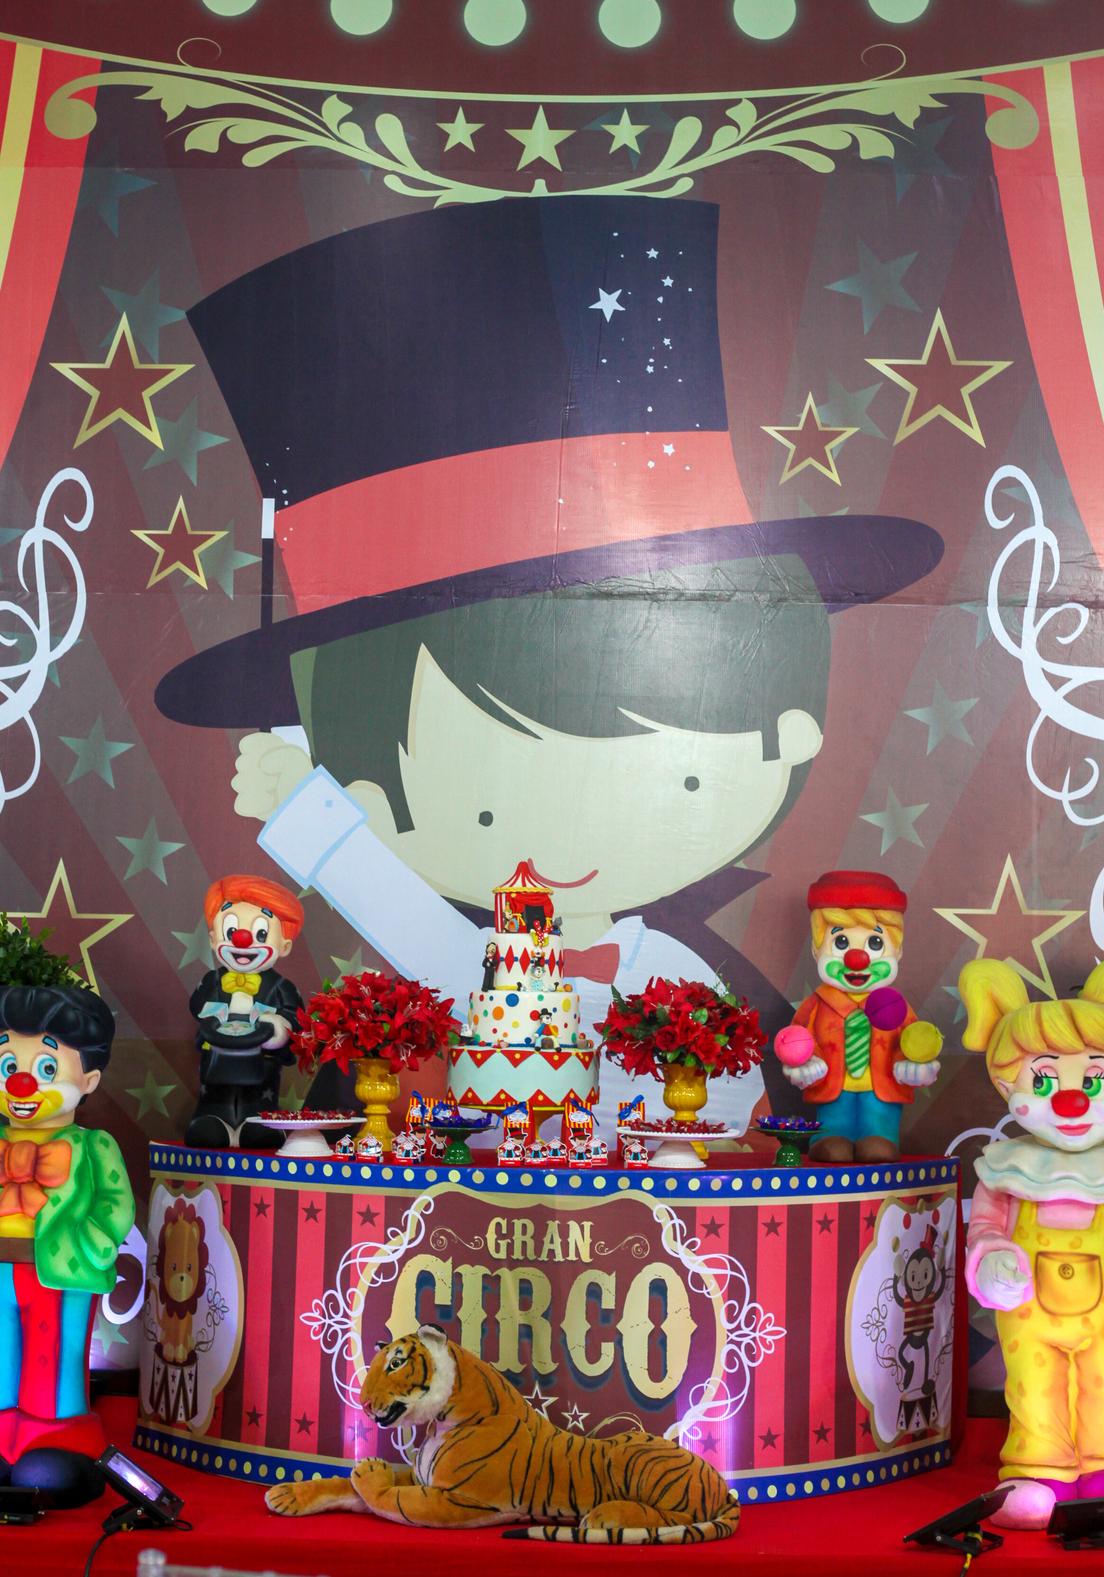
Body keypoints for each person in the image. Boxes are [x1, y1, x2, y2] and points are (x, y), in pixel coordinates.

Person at [155, 195, 943, 1133]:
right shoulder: (468, 966)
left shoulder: (672, 981)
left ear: (790, 733)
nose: (558, 856)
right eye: (482, 807)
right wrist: (302, 798)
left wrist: (308, 806)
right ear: (363, 782)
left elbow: (729, 1101)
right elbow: (401, 913)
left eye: (682, 777)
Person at [960, 954, 1104, 1529]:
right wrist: (992, 1259)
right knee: (1033, 1388)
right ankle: (1038, 1473)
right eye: (1044, 1080)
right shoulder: (1005, 1169)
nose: (1071, 1101)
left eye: (1094, 1080)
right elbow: (985, 1227)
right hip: (1029, 1315)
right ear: (1007, 1085)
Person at [0, 984, 132, 1505]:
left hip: (60, 1274)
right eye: (8, 1063)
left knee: (53, 1357)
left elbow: (115, 1206)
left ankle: (53, 1438)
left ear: (90, 1080)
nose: (22, 1081)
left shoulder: (93, 1146)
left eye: (48, 1067)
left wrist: (92, 1244)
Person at [778, 871, 939, 1161]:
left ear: (898, 951)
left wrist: (912, 1062)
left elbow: (912, 1039)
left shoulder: (895, 1005)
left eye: (875, 944)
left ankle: (879, 1136)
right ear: (816, 950)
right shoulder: (816, 1004)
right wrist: (805, 1061)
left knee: (878, 1144)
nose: (857, 959)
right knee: (833, 1144)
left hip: (882, 1087)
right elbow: (798, 1038)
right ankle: (829, 1137)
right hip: (833, 1087)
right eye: (840, 942)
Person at [185, 875, 304, 1150]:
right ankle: (214, 1120)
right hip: (216, 1064)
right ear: (213, 940)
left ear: (284, 945)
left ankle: (259, 1122)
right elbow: (197, 1006)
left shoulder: (281, 987)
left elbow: (295, 1017)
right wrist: (212, 1019)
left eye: (260, 933)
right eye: (231, 930)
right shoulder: (212, 981)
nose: (242, 939)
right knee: (209, 1124)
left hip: (262, 1066)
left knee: (260, 1126)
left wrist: (276, 1027)